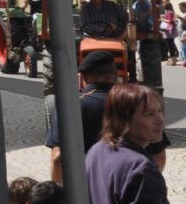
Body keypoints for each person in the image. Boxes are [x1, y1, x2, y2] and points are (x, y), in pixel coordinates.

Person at [47, 50, 170, 183]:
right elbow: (159, 156)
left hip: (87, 188)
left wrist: (62, 190)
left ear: (83, 77)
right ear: (115, 75)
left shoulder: (70, 107)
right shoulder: (136, 102)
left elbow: (58, 158)